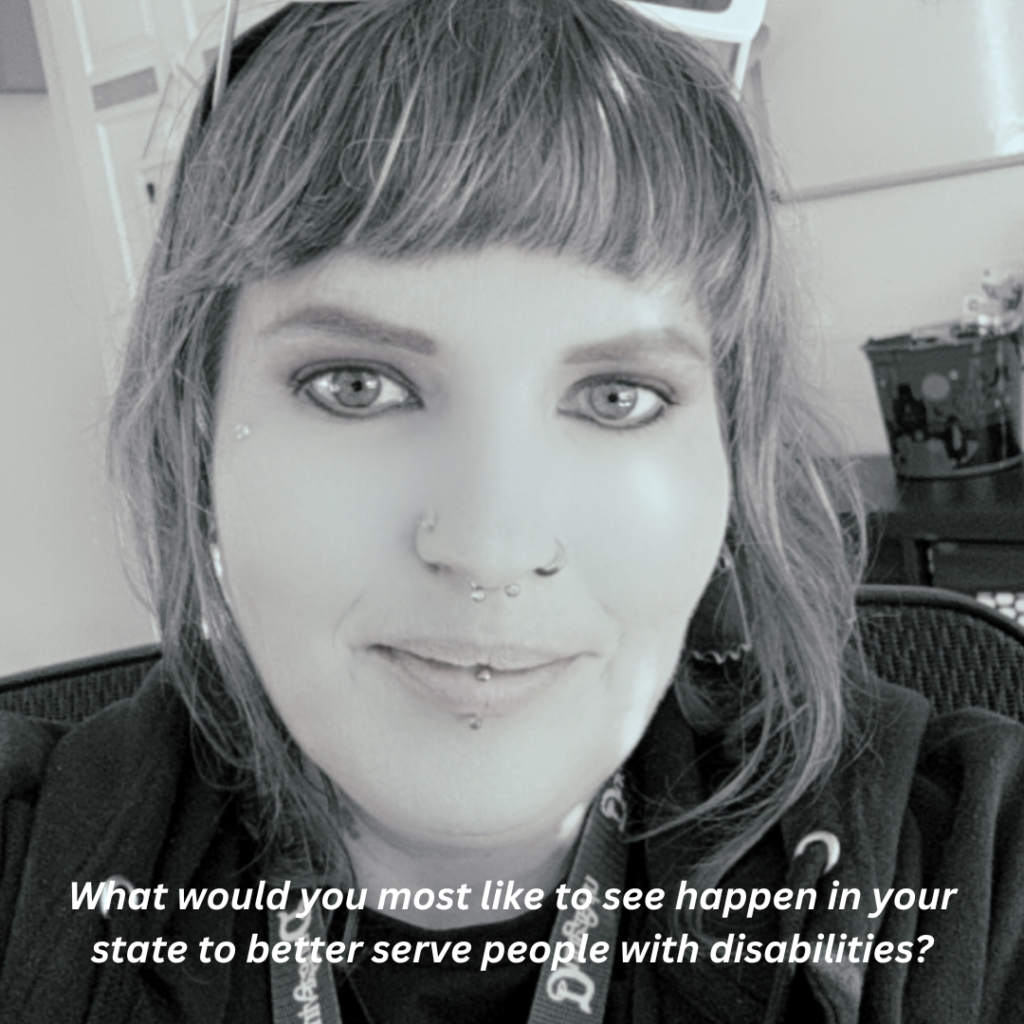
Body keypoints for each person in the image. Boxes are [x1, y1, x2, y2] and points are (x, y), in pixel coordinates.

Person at [1, 2, 1022, 1022]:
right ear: (198, 435)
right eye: (357, 385)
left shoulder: (962, 874)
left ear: (728, 457)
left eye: (616, 396)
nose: (490, 545)